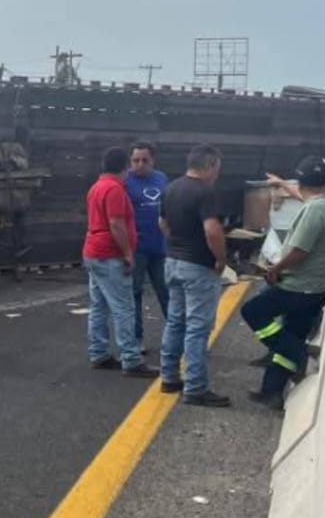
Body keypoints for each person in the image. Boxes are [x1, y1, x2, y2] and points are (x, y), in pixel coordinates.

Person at [242, 156, 325, 410]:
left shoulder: (314, 211)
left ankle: (296, 352)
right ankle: (272, 391)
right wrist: (282, 184)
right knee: (293, 330)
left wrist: (275, 269)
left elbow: (300, 250)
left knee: (253, 311)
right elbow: (306, 199)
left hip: (300, 284)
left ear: (301, 182)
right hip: (320, 283)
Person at [159, 144, 231, 407]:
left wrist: (178, 243)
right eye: (217, 169)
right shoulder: (205, 191)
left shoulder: (171, 188)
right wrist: (221, 259)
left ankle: (168, 377)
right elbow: (212, 230)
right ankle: (196, 387)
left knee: (175, 321)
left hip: (173, 261)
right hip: (198, 266)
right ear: (210, 166)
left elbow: (163, 224)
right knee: (197, 327)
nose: (217, 174)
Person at [83, 147, 159, 378]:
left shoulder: (96, 187)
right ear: (124, 167)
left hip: (93, 251)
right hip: (110, 254)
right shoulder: (115, 189)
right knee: (123, 308)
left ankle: (99, 353)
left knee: (98, 305)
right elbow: (116, 223)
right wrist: (127, 252)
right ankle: (131, 359)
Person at [125, 142, 170, 349]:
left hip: (160, 247)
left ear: (153, 160)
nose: (140, 164)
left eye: (145, 160)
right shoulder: (125, 181)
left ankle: (177, 337)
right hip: (136, 248)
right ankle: (136, 339)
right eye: (136, 160)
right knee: (134, 293)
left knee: (167, 292)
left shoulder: (161, 179)